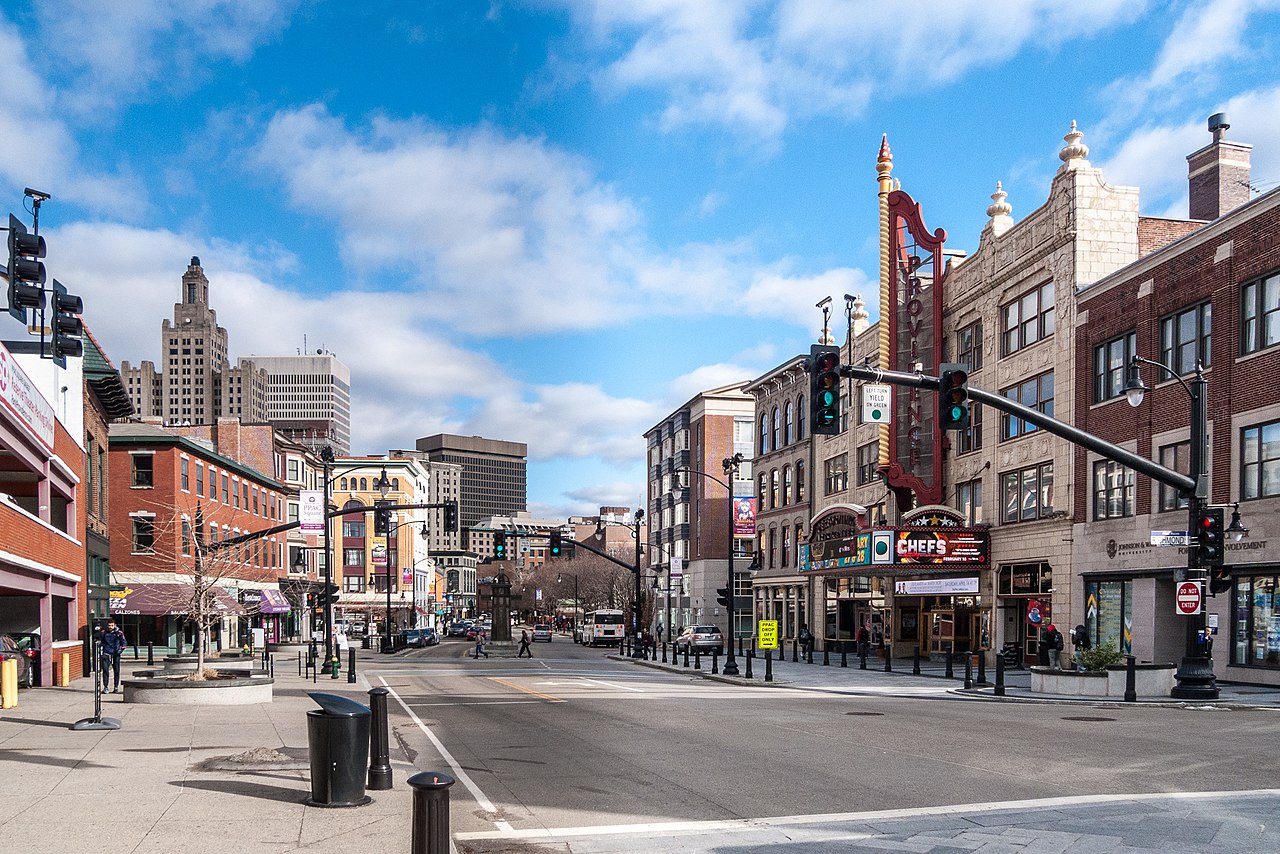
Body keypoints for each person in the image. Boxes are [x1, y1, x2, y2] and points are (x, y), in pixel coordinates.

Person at [99, 619, 127, 693]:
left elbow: (124, 643)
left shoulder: (119, 633)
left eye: (112, 625)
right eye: (109, 625)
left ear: (114, 625)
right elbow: (101, 642)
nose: (110, 627)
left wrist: (120, 650)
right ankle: (105, 687)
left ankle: (116, 687)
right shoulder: (103, 633)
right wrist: (101, 650)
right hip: (106, 653)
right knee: (105, 671)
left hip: (115, 653)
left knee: (116, 671)